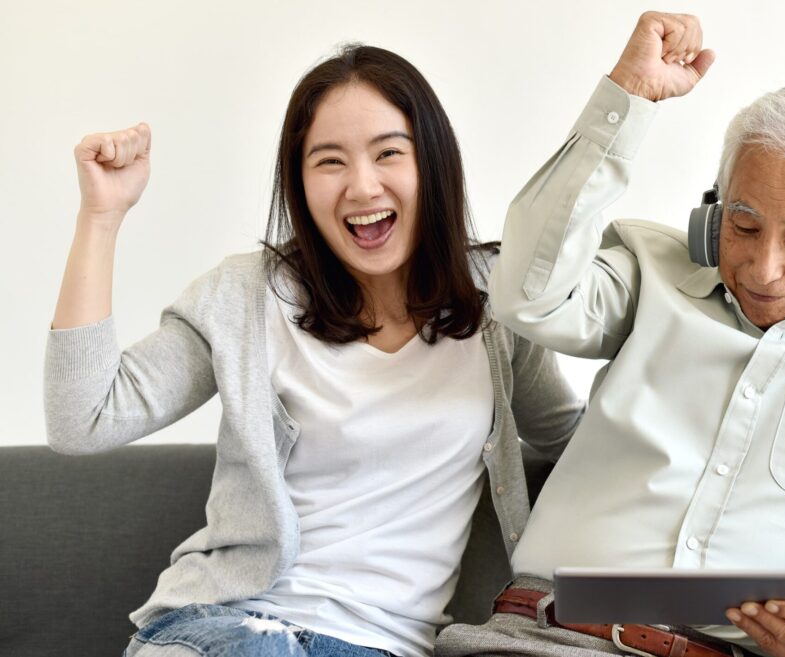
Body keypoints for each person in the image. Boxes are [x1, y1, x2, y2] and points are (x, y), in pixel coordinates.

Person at [435, 11, 785, 657]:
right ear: (713, 216)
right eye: (742, 226)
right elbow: (527, 295)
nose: (764, 268)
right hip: (541, 639)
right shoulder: (651, 269)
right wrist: (625, 101)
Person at [44, 45, 584, 657]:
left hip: (385, 645)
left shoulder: (496, 305)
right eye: (329, 161)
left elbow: (581, 447)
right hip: (229, 627)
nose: (361, 185)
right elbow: (82, 420)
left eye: (388, 153)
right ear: (299, 183)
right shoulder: (245, 297)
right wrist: (101, 216)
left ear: (431, 164)